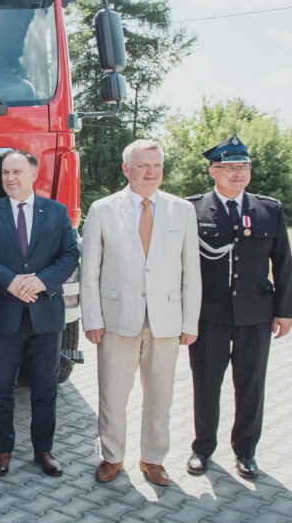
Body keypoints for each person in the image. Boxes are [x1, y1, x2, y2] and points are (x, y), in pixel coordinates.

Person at [80, 139, 201, 486]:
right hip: (118, 319)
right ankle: (112, 457)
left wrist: (190, 321)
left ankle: (153, 459)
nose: (151, 172)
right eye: (143, 165)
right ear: (126, 170)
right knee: (113, 395)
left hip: (166, 320)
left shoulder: (182, 210)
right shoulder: (103, 209)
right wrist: (93, 318)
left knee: (160, 395)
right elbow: (90, 271)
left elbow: (191, 271)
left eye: (157, 166)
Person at [186, 136, 292, 479]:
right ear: (213, 171)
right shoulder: (192, 209)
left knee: (251, 384)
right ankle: (202, 448)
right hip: (210, 315)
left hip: (255, 314)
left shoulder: (268, 209)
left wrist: (285, 309)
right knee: (206, 384)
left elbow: (283, 262)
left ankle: (246, 451)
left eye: (244, 167)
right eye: (231, 167)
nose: (239, 173)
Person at [0, 149, 79, 478]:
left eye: (16, 172)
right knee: (1, 388)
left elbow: (70, 254)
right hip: (4, 315)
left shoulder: (57, 213)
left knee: (45, 388)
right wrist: (11, 282)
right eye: (5, 173)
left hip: (45, 315)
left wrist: (41, 282)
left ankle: (43, 450)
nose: (10, 178)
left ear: (33, 174)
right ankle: (3, 450)